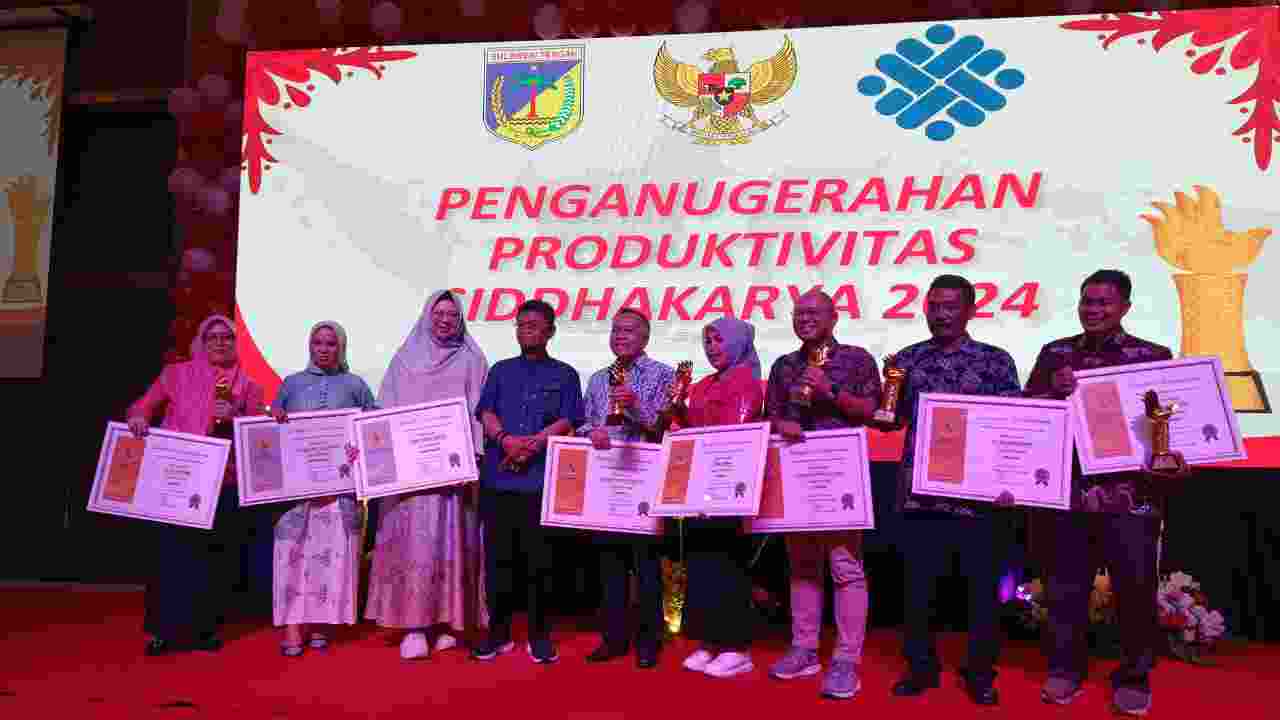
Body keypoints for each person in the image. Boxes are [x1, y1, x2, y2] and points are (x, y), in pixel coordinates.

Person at [1024, 270, 1173, 716]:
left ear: (1125, 307)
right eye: (1087, 301)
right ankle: (1066, 670)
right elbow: (1026, 412)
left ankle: (1134, 676)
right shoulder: (1055, 354)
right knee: (1065, 589)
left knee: (1135, 590)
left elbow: (1170, 426)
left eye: (1104, 302)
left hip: (1133, 496)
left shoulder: (1152, 356)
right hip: (1070, 494)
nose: (1093, 310)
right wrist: (1053, 392)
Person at [881, 275, 1021, 706]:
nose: (941, 315)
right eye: (935, 306)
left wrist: (1009, 479)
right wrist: (886, 392)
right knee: (917, 589)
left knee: (982, 592)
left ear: (970, 310)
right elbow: (890, 421)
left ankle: (980, 673)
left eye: (951, 306)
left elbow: (1013, 424)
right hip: (922, 494)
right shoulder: (906, 360)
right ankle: (920, 668)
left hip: (978, 498)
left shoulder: (995, 360)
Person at [126, 314, 265, 656]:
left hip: (220, 481)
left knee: (209, 557)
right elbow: (143, 405)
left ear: (235, 343)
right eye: (212, 337)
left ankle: (204, 630)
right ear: (201, 342)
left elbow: (256, 436)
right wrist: (139, 417)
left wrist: (235, 417)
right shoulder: (175, 374)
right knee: (169, 553)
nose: (220, 342)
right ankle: (162, 631)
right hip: (175, 477)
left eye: (227, 337)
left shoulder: (249, 385)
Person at [765, 290, 880, 699]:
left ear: (834, 317)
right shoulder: (784, 365)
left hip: (841, 476)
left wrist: (829, 390)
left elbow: (875, 411)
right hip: (796, 474)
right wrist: (781, 425)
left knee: (846, 567)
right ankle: (805, 649)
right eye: (799, 313)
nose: (805, 319)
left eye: (814, 312)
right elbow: (770, 416)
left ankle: (847, 659)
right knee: (802, 566)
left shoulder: (857, 359)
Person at [365, 291, 490, 659]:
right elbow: (384, 411)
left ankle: (450, 623)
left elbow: (480, 412)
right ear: (427, 316)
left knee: (452, 545)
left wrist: (473, 458)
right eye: (439, 313)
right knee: (413, 546)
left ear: (460, 319)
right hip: (410, 478)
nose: (445, 320)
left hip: (453, 477)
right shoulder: (404, 359)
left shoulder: (472, 359)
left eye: (452, 314)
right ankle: (414, 626)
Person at [472, 299, 584, 663]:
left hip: (541, 482)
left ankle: (539, 634)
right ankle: (498, 631)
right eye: (521, 324)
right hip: (499, 478)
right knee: (498, 561)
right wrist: (505, 440)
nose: (526, 330)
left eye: (534, 325)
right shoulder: (500, 370)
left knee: (540, 561)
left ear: (550, 331)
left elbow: (569, 420)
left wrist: (534, 443)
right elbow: (486, 412)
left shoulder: (565, 374)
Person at [269, 321, 377, 656]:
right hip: (297, 494)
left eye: (331, 343)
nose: (324, 349)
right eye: (318, 343)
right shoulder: (291, 384)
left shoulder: (356, 385)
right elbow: (273, 432)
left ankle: (319, 624)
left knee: (328, 561)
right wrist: (274, 417)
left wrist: (359, 447)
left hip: (338, 494)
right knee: (292, 558)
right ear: (310, 346)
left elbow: (373, 428)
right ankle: (292, 626)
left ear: (341, 347)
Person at [578, 309, 675, 669]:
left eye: (629, 331)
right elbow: (583, 425)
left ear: (645, 338)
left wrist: (635, 406)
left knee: (646, 564)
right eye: (615, 330)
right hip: (606, 480)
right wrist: (592, 432)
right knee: (610, 563)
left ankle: (649, 641)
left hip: (643, 480)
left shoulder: (664, 375)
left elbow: (663, 428)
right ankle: (614, 638)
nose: (620, 336)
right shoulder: (597, 379)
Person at [674, 316, 766, 679]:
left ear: (738, 342)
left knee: (728, 563)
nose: (711, 347)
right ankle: (709, 640)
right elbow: (694, 430)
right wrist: (677, 409)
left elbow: (735, 433)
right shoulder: (702, 384)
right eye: (707, 340)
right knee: (700, 560)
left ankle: (735, 647)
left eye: (718, 340)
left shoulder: (746, 381)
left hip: (731, 482)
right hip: (701, 482)